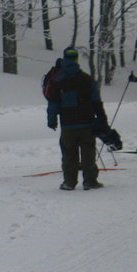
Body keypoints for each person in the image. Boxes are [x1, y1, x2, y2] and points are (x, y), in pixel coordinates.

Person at [46, 47, 109, 191]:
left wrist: (52, 120)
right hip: (87, 123)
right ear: (76, 59)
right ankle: (90, 181)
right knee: (88, 153)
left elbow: (53, 103)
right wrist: (102, 118)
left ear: (64, 58)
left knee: (69, 154)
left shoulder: (57, 80)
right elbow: (96, 101)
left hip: (68, 125)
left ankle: (69, 182)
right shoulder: (86, 79)